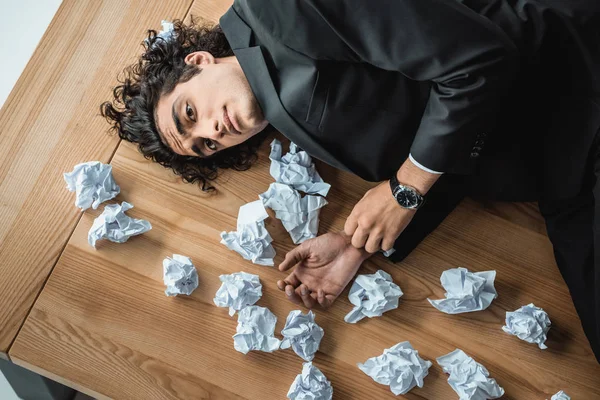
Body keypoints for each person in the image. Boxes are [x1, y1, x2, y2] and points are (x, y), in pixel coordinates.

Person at [101, 0, 600, 362]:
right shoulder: (288, 122)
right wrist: (357, 244)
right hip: (559, 179)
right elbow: (441, 153)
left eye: (190, 113)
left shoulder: (281, 10)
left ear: (198, 62)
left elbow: (477, 61)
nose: (212, 132)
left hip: (576, 77)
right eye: (205, 146)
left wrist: (405, 187)